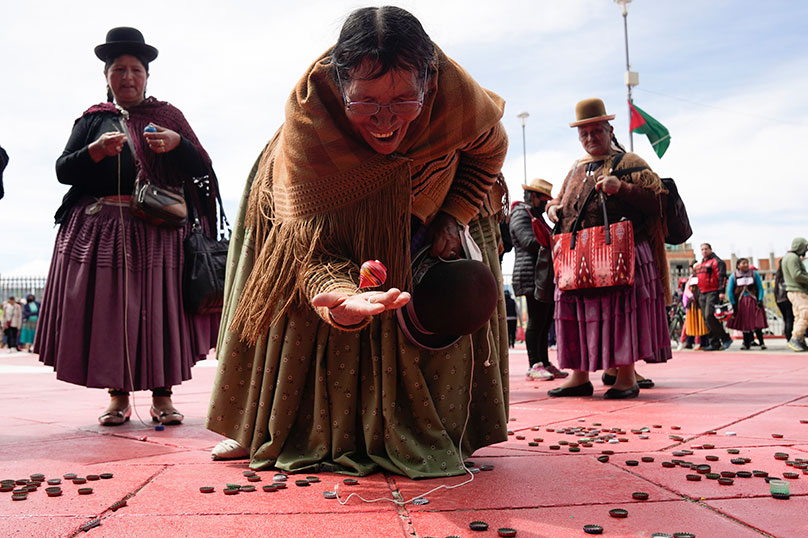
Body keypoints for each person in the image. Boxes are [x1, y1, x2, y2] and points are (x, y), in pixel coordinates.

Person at [206, 6, 510, 478]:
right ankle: (266, 425)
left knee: (459, 292)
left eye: (403, 102)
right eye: (365, 102)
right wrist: (339, 303)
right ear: (339, 83)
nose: (385, 121)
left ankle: (442, 426)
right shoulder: (311, 124)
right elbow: (311, 249)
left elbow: (490, 150)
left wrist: (454, 215)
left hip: (426, 203)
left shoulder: (456, 97)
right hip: (321, 202)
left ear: (428, 83)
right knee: (304, 321)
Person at [34, 27, 220, 426]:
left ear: (147, 76)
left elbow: (203, 167)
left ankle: (163, 397)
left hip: (159, 233)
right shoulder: (92, 120)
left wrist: (178, 144)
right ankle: (117, 398)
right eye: (119, 69)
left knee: (158, 312)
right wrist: (94, 151)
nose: (128, 77)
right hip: (103, 232)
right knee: (112, 313)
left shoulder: (168, 117)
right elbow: (63, 170)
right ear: (107, 77)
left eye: (135, 69)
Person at [544, 98, 670, 400]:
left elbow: (658, 203)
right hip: (578, 256)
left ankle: (626, 376)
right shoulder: (576, 168)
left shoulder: (630, 163)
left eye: (596, 132)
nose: (590, 139)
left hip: (622, 252)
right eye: (584, 134)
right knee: (574, 313)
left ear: (609, 129)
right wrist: (552, 209)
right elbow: (558, 200)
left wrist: (623, 188)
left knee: (621, 312)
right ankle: (579, 375)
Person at [510, 178, 566, 381]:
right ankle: (534, 363)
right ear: (533, 196)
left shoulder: (535, 215)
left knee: (544, 320)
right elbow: (527, 242)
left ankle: (544, 362)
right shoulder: (520, 213)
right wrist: (555, 241)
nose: (545, 204)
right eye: (543, 199)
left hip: (541, 274)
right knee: (536, 320)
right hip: (529, 274)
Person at [782, 237, 808, 352]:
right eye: (805, 247)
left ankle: (800, 341)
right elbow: (797, 275)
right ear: (799, 247)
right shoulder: (793, 258)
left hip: (794, 291)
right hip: (798, 290)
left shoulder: (789, 257)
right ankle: (795, 338)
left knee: (799, 317)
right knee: (806, 314)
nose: (806, 250)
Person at [695, 243, 732, 351]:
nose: (704, 251)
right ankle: (714, 343)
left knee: (710, 315)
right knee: (706, 319)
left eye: (706, 249)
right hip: (702, 293)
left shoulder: (717, 262)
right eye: (702, 249)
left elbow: (722, 277)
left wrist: (721, 291)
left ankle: (726, 339)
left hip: (713, 292)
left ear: (711, 249)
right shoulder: (701, 264)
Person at [726, 258, 767, 350]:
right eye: (743, 263)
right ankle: (746, 342)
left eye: (747, 263)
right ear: (738, 265)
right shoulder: (734, 276)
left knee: (756, 322)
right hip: (741, 302)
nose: (745, 265)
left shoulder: (754, 274)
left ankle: (761, 341)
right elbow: (730, 291)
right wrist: (733, 303)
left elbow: (760, 288)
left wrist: (760, 300)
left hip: (753, 301)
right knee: (744, 323)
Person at [682, 267, 710, 351]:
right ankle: (689, 342)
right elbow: (687, 290)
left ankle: (703, 343)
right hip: (692, 305)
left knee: (702, 323)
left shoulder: (704, 276)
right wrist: (691, 297)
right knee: (692, 324)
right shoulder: (691, 279)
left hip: (701, 303)